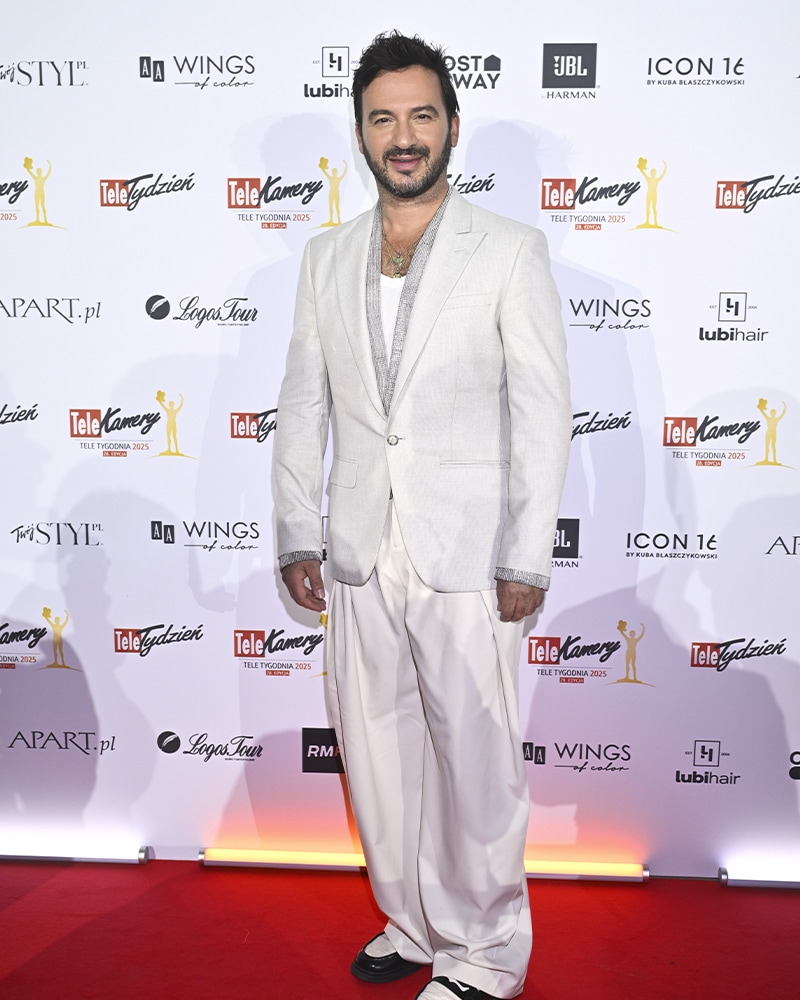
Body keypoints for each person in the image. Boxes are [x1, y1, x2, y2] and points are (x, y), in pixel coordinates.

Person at [273, 31, 571, 1000]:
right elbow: (304, 404)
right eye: (382, 118)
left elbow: (541, 412)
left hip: (467, 551)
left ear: (451, 124)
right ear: (360, 132)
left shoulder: (510, 250)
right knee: (377, 750)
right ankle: (410, 921)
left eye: (420, 115)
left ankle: (483, 952)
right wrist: (297, 530)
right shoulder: (325, 256)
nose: (403, 136)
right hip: (360, 547)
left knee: (475, 761)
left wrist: (525, 551)